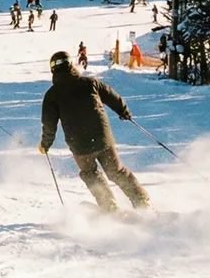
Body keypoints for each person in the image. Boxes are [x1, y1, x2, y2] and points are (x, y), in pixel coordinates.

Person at [39, 51, 149, 212]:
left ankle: (110, 208)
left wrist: (45, 144)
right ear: (71, 65)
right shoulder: (90, 83)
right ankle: (142, 203)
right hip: (102, 138)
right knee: (116, 171)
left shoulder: (52, 95)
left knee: (90, 173)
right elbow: (112, 96)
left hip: (79, 145)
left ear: (53, 70)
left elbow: (49, 124)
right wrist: (123, 111)